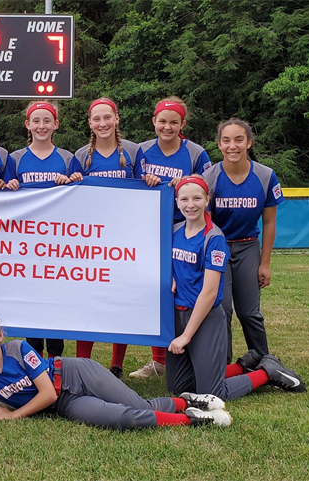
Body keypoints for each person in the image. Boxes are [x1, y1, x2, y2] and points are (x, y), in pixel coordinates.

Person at [0, 313, 232, 430]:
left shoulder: (19, 349)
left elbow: (48, 393)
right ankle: (193, 419)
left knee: (137, 404)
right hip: (66, 405)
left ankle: (188, 400)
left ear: (1, 334)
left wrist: (12, 415)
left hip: (73, 374)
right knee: (123, 418)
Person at [166, 175, 304, 401]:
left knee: (212, 393)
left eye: (197, 198)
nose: (190, 205)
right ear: (177, 201)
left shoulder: (214, 238)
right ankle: (243, 365)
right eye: (184, 199)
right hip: (177, 314)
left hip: (205, 317)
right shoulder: (174, 231)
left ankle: (266, 372)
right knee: (179, 387)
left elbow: (210, 293)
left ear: (207, 199)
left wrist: (186, 336)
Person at [71, 98, 158, 377]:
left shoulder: (134, 151)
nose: (102, 123)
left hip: (125, 238)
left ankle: (116, 364)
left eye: (107, 117)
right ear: (90, 123)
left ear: (117, 119)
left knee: (120, 301)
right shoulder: (81, 155)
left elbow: (145, 188)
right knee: (88, 300)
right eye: (96, 119)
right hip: (93, 239)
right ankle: (82, 362)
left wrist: (152, 181)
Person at [130, 96, 212, 380]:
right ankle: (159, 360)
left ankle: (202, 352)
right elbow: (130, 189)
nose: (167, 127)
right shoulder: (141, 151)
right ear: (154, 121)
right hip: (150, 231)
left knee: (187, 291)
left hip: (183, 231)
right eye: (162, 121)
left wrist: (187, 183)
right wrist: (146, 181)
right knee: (157, 293)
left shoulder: (196, 153)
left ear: (182, 124)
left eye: (174, 122)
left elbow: (206, 192)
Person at [202, 118, 284, 363]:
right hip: (219, 245)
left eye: (239, 139)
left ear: (249, 142)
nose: (232, 146)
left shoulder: (265, 176)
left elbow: (269, 222)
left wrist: (265, 263)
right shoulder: (210, 177)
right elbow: (206, 225)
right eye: (226, 140)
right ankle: (222, 364)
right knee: (222, 308)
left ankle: (263, 359)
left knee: (249, 311)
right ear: (219, 145)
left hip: (248, 245)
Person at [7, 101, 83, 358]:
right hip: (26, 242)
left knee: (54, 301)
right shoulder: (15, 158)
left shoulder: (68, 158)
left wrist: (70, 183)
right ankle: (35, 359)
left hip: (58, 243)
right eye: (36, 121)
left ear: (56, 124)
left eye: (47, 120)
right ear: (27, 124)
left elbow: (82, 197)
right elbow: (3, 197)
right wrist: (10, 186)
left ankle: (55, 359)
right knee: (32, 300)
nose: (42, 126)